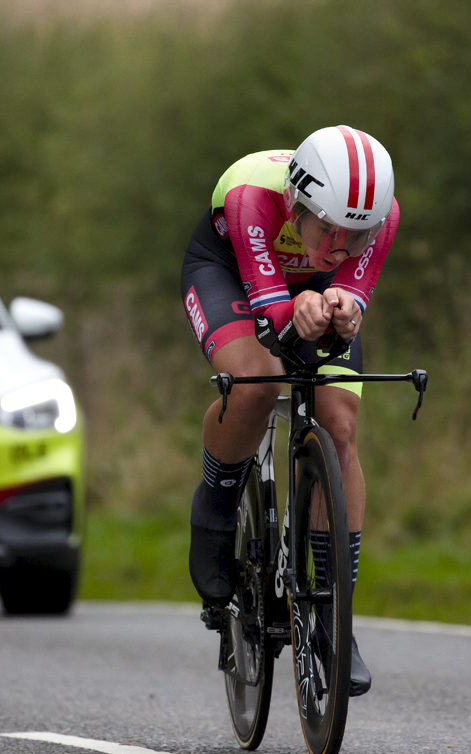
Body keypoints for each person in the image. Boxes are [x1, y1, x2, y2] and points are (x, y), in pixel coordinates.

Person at [180, 126, 399, 697]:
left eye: (357, 234)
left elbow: (350, 289)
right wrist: (292, 306)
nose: (339, 245)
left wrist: (345, 309)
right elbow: (277, 319)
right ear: (299, 204)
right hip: (229, 271)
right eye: (327, 228)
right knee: (258, 383)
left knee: (341, 425)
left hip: (312, 290)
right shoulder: (252, 196)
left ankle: (334, 615)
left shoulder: (382, 217)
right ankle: (216, 508)